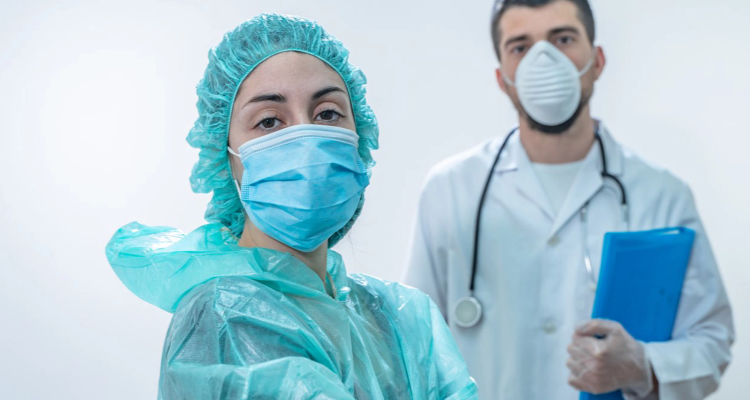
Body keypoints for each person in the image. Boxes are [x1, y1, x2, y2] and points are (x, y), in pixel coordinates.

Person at [106, 13, 477, 400]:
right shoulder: (227, 318)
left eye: (328, 114)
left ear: (359, 137)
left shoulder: (400, 317)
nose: (305, 138)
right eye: (269, 121)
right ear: (226, 156)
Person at [404, 1, 734, 399]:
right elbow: (414, 345)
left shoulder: (661, 194)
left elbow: (711, 339)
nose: (543, 59)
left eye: (562, 39)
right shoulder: (450, 189)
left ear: (596, 61)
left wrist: (642, 364)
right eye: (520, 47)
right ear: (502, 78)